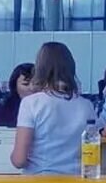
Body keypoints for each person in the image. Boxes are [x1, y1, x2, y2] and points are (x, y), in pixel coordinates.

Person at [9, 43, 96, 175]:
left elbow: (19, 160)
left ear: (40, 69)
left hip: (40, 179)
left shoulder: (31, 103)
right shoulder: (87, 105)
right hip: (76, 179)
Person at [0, 62, 35, 127]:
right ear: (14, 86)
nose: (32, 88)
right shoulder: (4, 109)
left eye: (36, 83)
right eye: (26, 84)